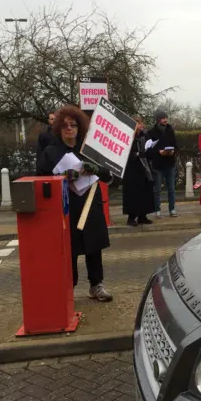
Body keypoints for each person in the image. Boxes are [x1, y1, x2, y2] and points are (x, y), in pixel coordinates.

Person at [36, 104, 113, 302]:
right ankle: (68, 287)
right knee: (68, 248)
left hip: (90, 204)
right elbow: (41, 181)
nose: (69, 129)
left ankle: (96, 285)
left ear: (80, 128)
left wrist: (95, 168)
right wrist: (62, 177)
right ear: (58, 128)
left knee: (93, 246)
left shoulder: (89, 150)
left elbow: (109, 177)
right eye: (65, 126)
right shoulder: (51, 152)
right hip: (66, 207)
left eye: (73, 125)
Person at [122, 116, 155, 227]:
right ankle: (131, 217)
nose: (142, 125)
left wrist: (149, 150)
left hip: (144, 168)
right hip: (132, 169)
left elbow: (149, 151)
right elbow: (124, 152)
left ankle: (142, 216)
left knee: (144, 191)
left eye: (142, 123)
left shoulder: (144, 136)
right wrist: (136, 154)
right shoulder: (127, 136)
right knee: (132, 193)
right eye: (139, 123)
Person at [146, 110, 178, 218]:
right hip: (158, 165)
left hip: (170, 163)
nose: (165, 120)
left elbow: (176, 144)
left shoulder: (170, 130)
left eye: (166, 118)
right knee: (157, 189)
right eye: (163, 118)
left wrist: (173, 151)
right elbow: (148, 149)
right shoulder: (151, 132)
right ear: (158, 120)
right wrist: (159, 152)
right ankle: (157, 210)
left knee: (171, 189)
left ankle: (172, 209)